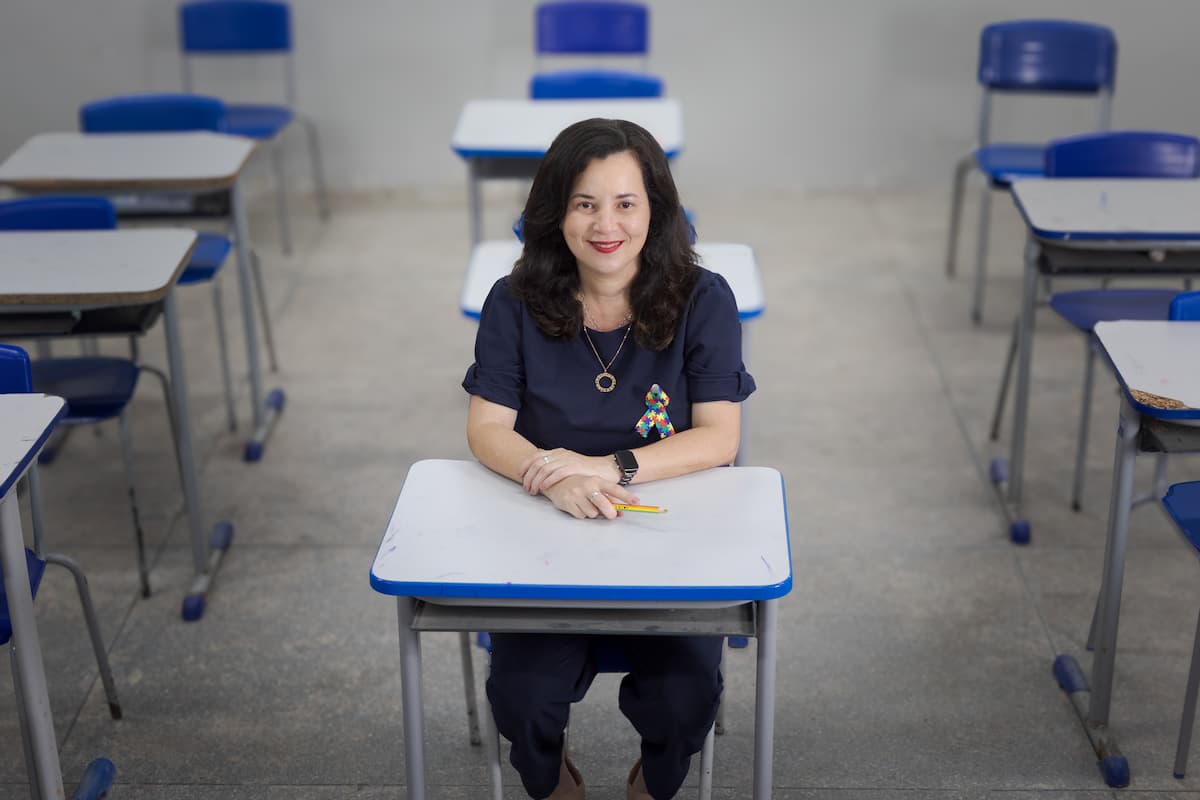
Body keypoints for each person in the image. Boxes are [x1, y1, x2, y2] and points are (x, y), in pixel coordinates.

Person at [462, 117, 755, 800]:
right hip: (546, 543)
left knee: (685, 695)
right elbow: (486, 427)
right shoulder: (514, 301)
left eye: (626, 203)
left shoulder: (704, 299)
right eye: (585, 204)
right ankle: (550, 780)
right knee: (522, 694)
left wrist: (608, 467)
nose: (606, 225)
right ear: (555, 212)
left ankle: (653, 782)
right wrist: (553, 480)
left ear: (656, 211)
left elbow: (719, 437)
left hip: (667, 543)